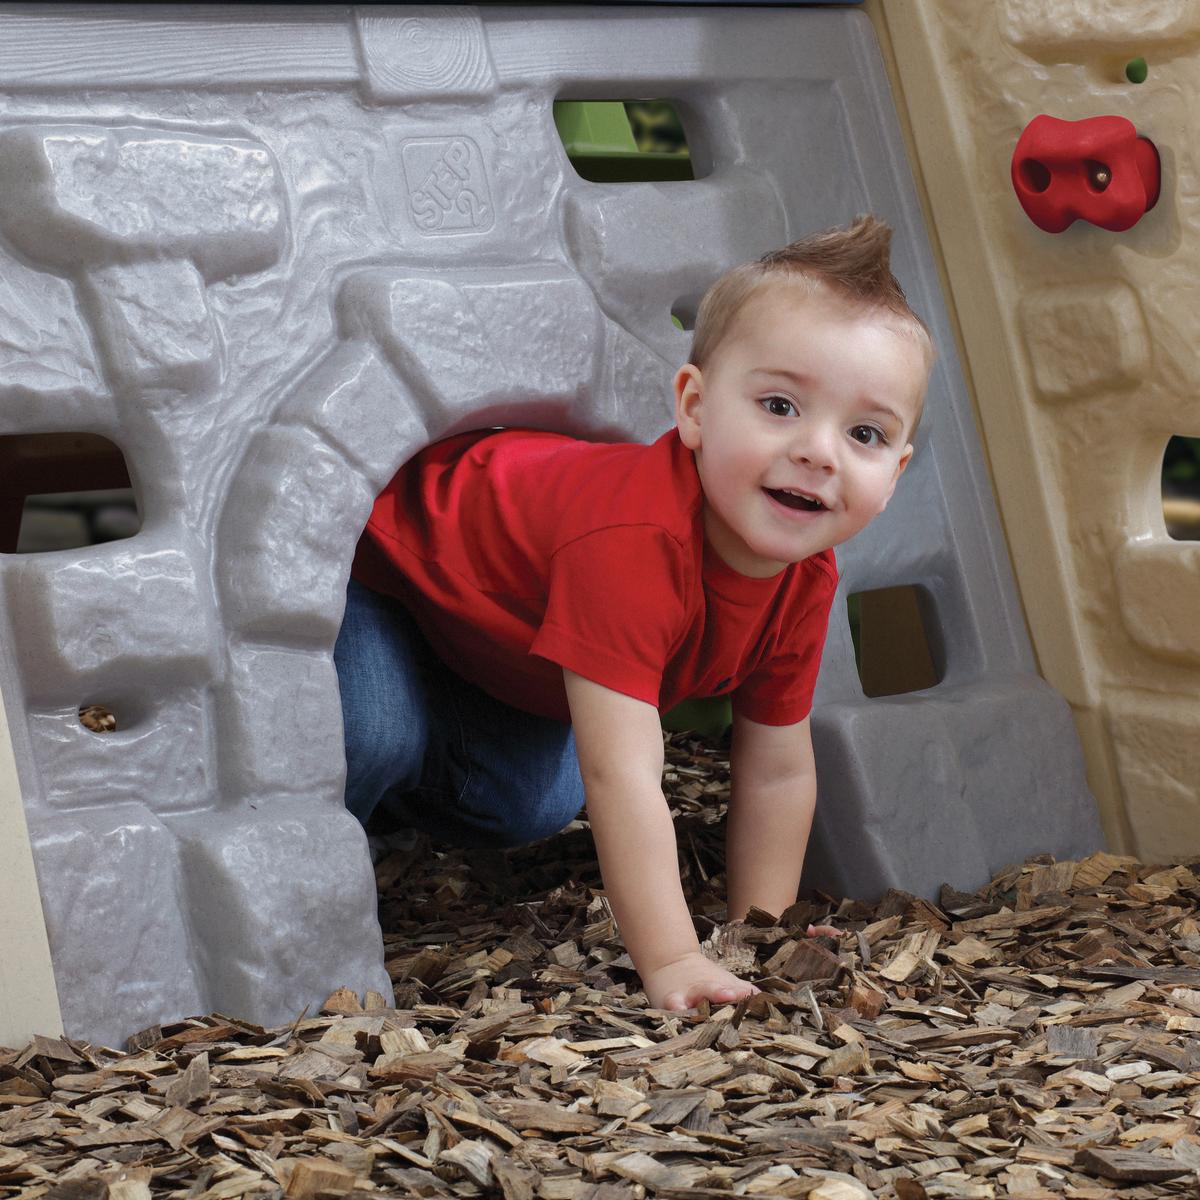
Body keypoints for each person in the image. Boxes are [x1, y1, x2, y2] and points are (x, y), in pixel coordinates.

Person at [335, 215, 933, 1012]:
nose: (820, 451)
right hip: (385, 575)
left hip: (492, 647)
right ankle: (330, 843)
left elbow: (779, 766)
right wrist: (674, 960)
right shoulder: (634, 540)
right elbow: (624, 772)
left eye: (864, 433)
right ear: (693, 407)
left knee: (529, 805)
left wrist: (761, 931)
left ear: (894, 472)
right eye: (781, 405)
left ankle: (405, 786)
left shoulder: (806, 576)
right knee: (370, 736)